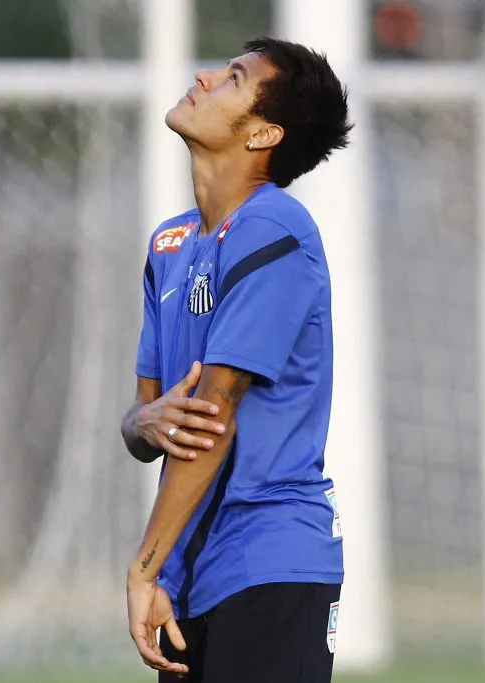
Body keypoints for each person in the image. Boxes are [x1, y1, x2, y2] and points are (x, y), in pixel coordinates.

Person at [119, 37, 353, 682]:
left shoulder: (274, 227)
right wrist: (141, 425)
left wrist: (143, 569)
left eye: (233, 78)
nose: (203, 75)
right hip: (191, 568)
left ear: (263, 133)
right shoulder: (170, 243)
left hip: (269, 561)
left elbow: (210, 415)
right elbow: (152, 418)